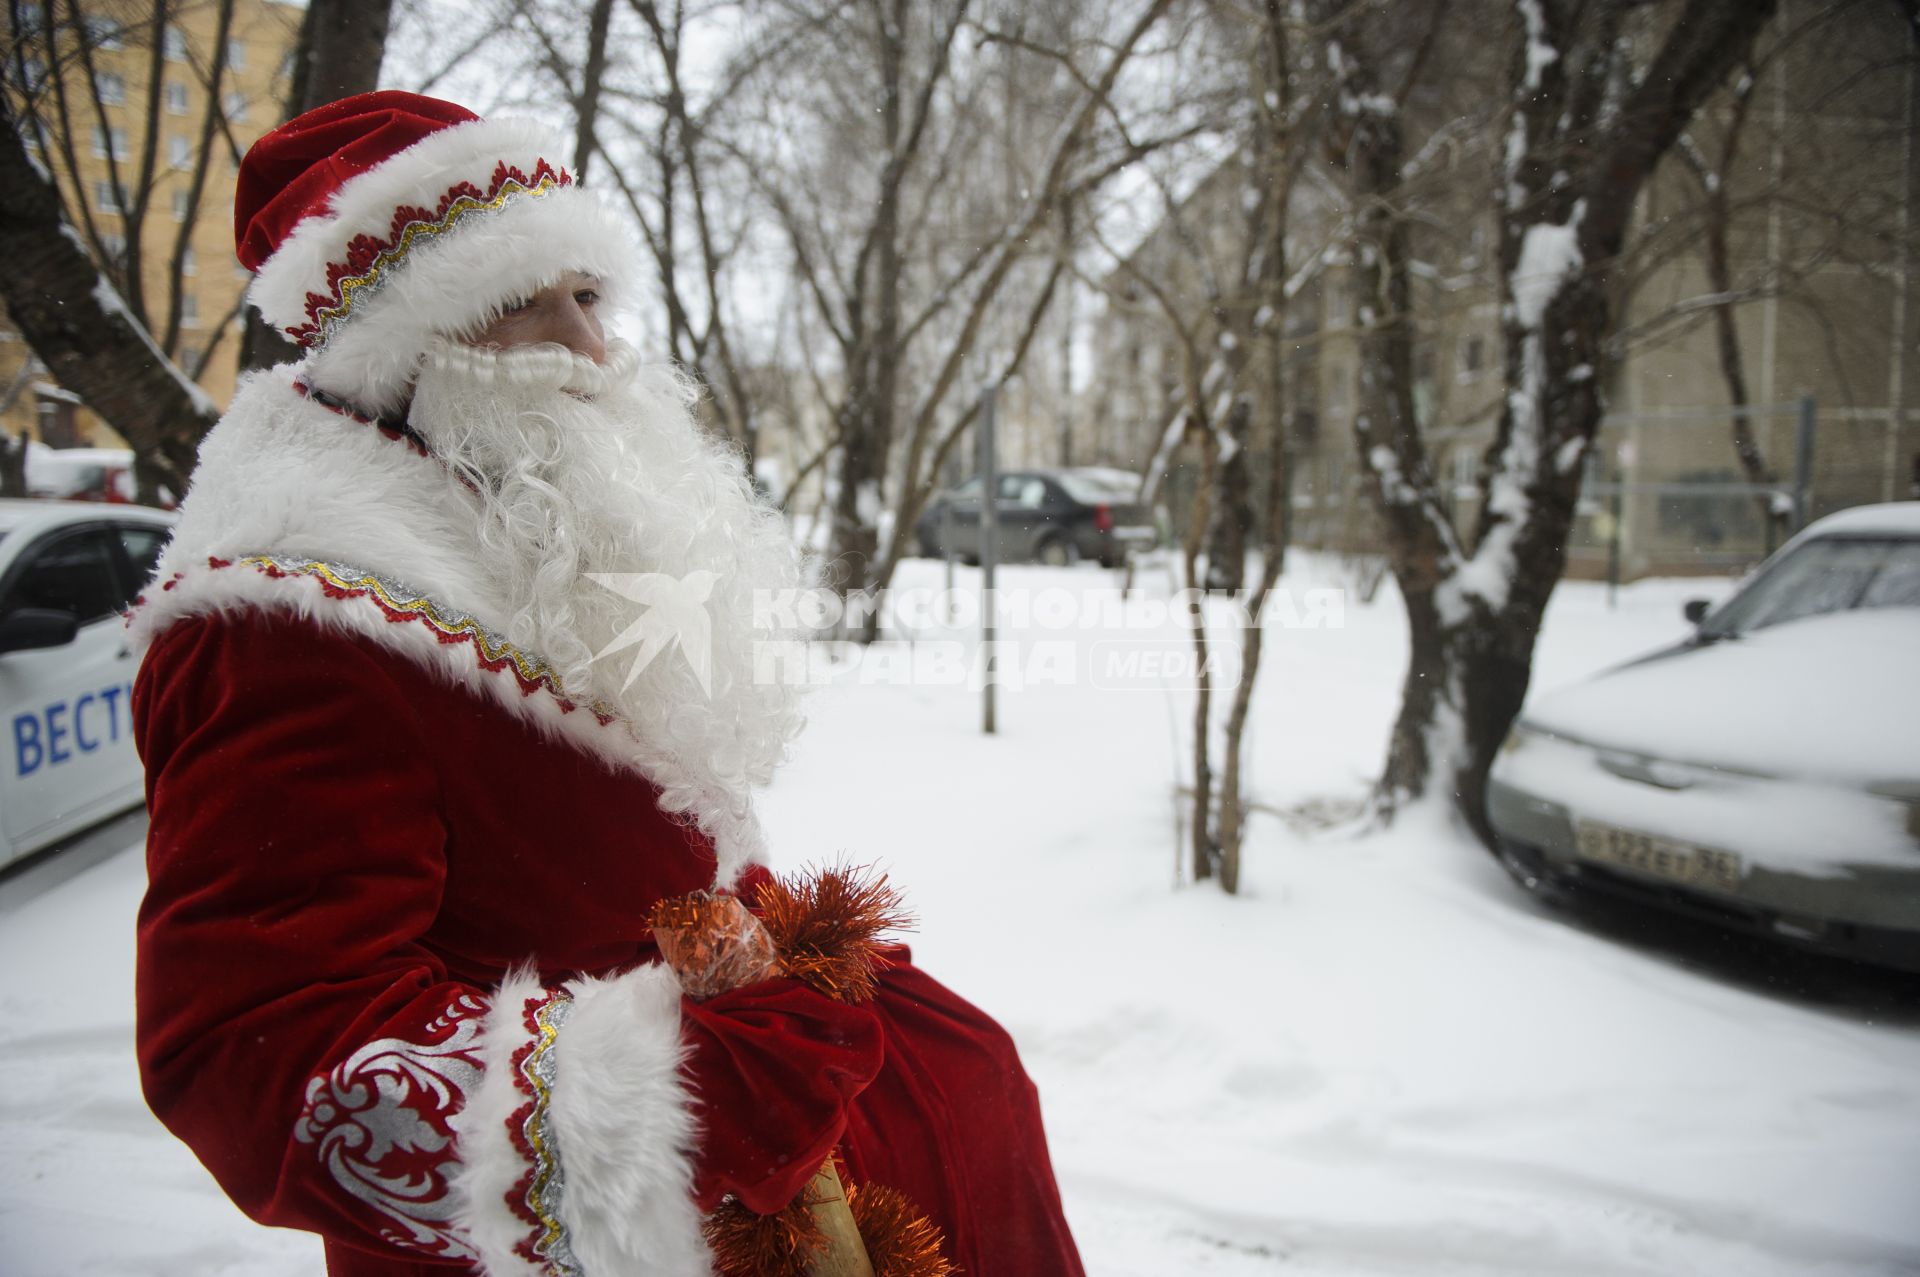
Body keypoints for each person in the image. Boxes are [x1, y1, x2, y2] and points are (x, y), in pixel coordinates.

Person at [130, 91, 1084, 1277]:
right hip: (608, 1233)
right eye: (518, 308)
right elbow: (251, 1050)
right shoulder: (285, 626)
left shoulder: (527, 521)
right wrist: (678, 1094)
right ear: (398, 356)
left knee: (968, 1072)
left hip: (760, 1141)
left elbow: (606, 844)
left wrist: (783, 975)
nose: (585, 348)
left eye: (586, 296)